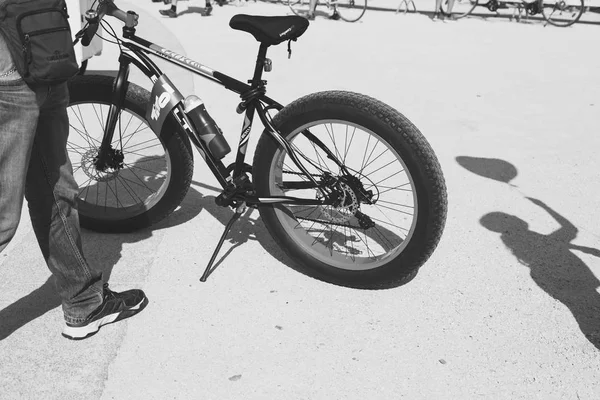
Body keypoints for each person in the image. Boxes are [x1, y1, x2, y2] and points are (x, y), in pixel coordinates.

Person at [0, 30, 148, 340]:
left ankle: (83, 301)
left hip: (46, 63)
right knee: (3, 218)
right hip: (9, 74)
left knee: (57, 191)